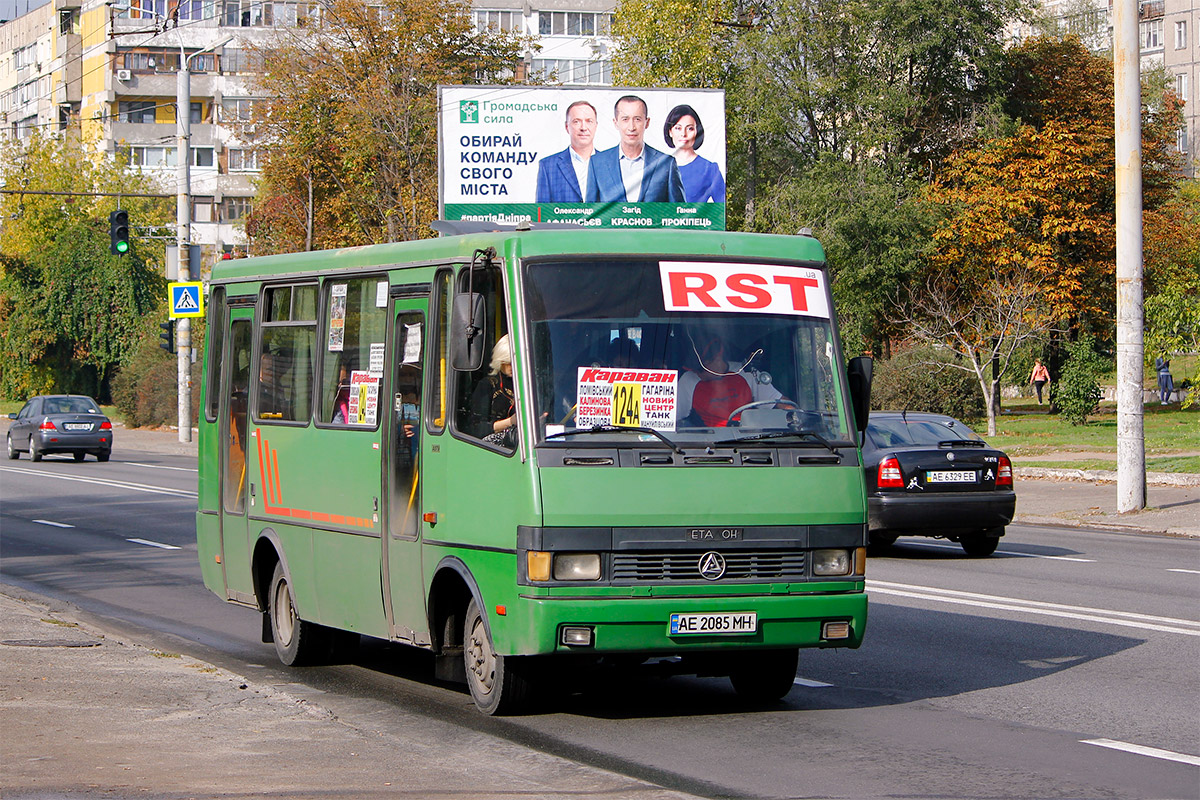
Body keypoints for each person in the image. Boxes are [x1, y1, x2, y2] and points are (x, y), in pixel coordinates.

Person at [585, 95, 686, 204]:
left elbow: (679, 214)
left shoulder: (666, 164)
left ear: (647, 123)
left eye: (637, 119)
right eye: (625, 119)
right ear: (616, 123)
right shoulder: (597, 163)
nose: (631, 127)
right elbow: (590, 213)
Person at [678, 337, 783, 427]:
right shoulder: (688, 380)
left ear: (718, 359)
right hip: (706, 441)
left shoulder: (747, 373)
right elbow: (671, 418)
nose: (697, 373)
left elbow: (778, 401)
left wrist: (796, 416)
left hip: (747, 439)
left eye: (701, 369)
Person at [535, 101, 598, 203]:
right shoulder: (548, 166)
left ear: (596, 126)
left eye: (589, 121)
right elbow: (541, 212)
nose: (583, 127)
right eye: (576, 121)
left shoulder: (611, 165)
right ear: (567, 127)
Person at [663, 104, 725, 203]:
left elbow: (721, 209)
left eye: (690, 128)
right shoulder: (658, 168)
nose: (683, 134)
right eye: (678, 128)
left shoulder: (709, 169)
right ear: (670, 131)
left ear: (697, 131)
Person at [468, 334, 517, 444]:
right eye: (509, 362)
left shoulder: (526, 384)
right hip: (494, 449)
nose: (512, 366)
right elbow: (475, 428)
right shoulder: (487, 385)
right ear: (500, 361)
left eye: (516, 362)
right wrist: (510, 422)